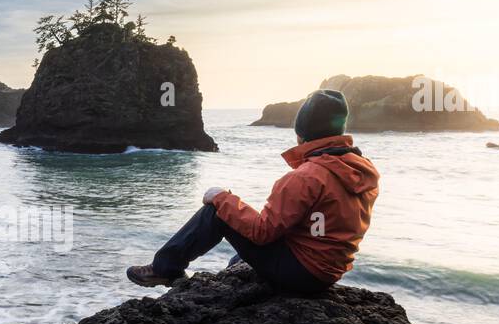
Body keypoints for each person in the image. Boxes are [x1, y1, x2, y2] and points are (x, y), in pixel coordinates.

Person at [126, 89, 379, 294]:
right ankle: (234, 276)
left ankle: (164, 268)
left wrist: (221, 198)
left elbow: (261, 232)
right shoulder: (361, 170)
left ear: (301, 133)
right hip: (327, 273)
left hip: (300, 274)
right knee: (239, 259)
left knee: (217, 211)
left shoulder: (306, 176)